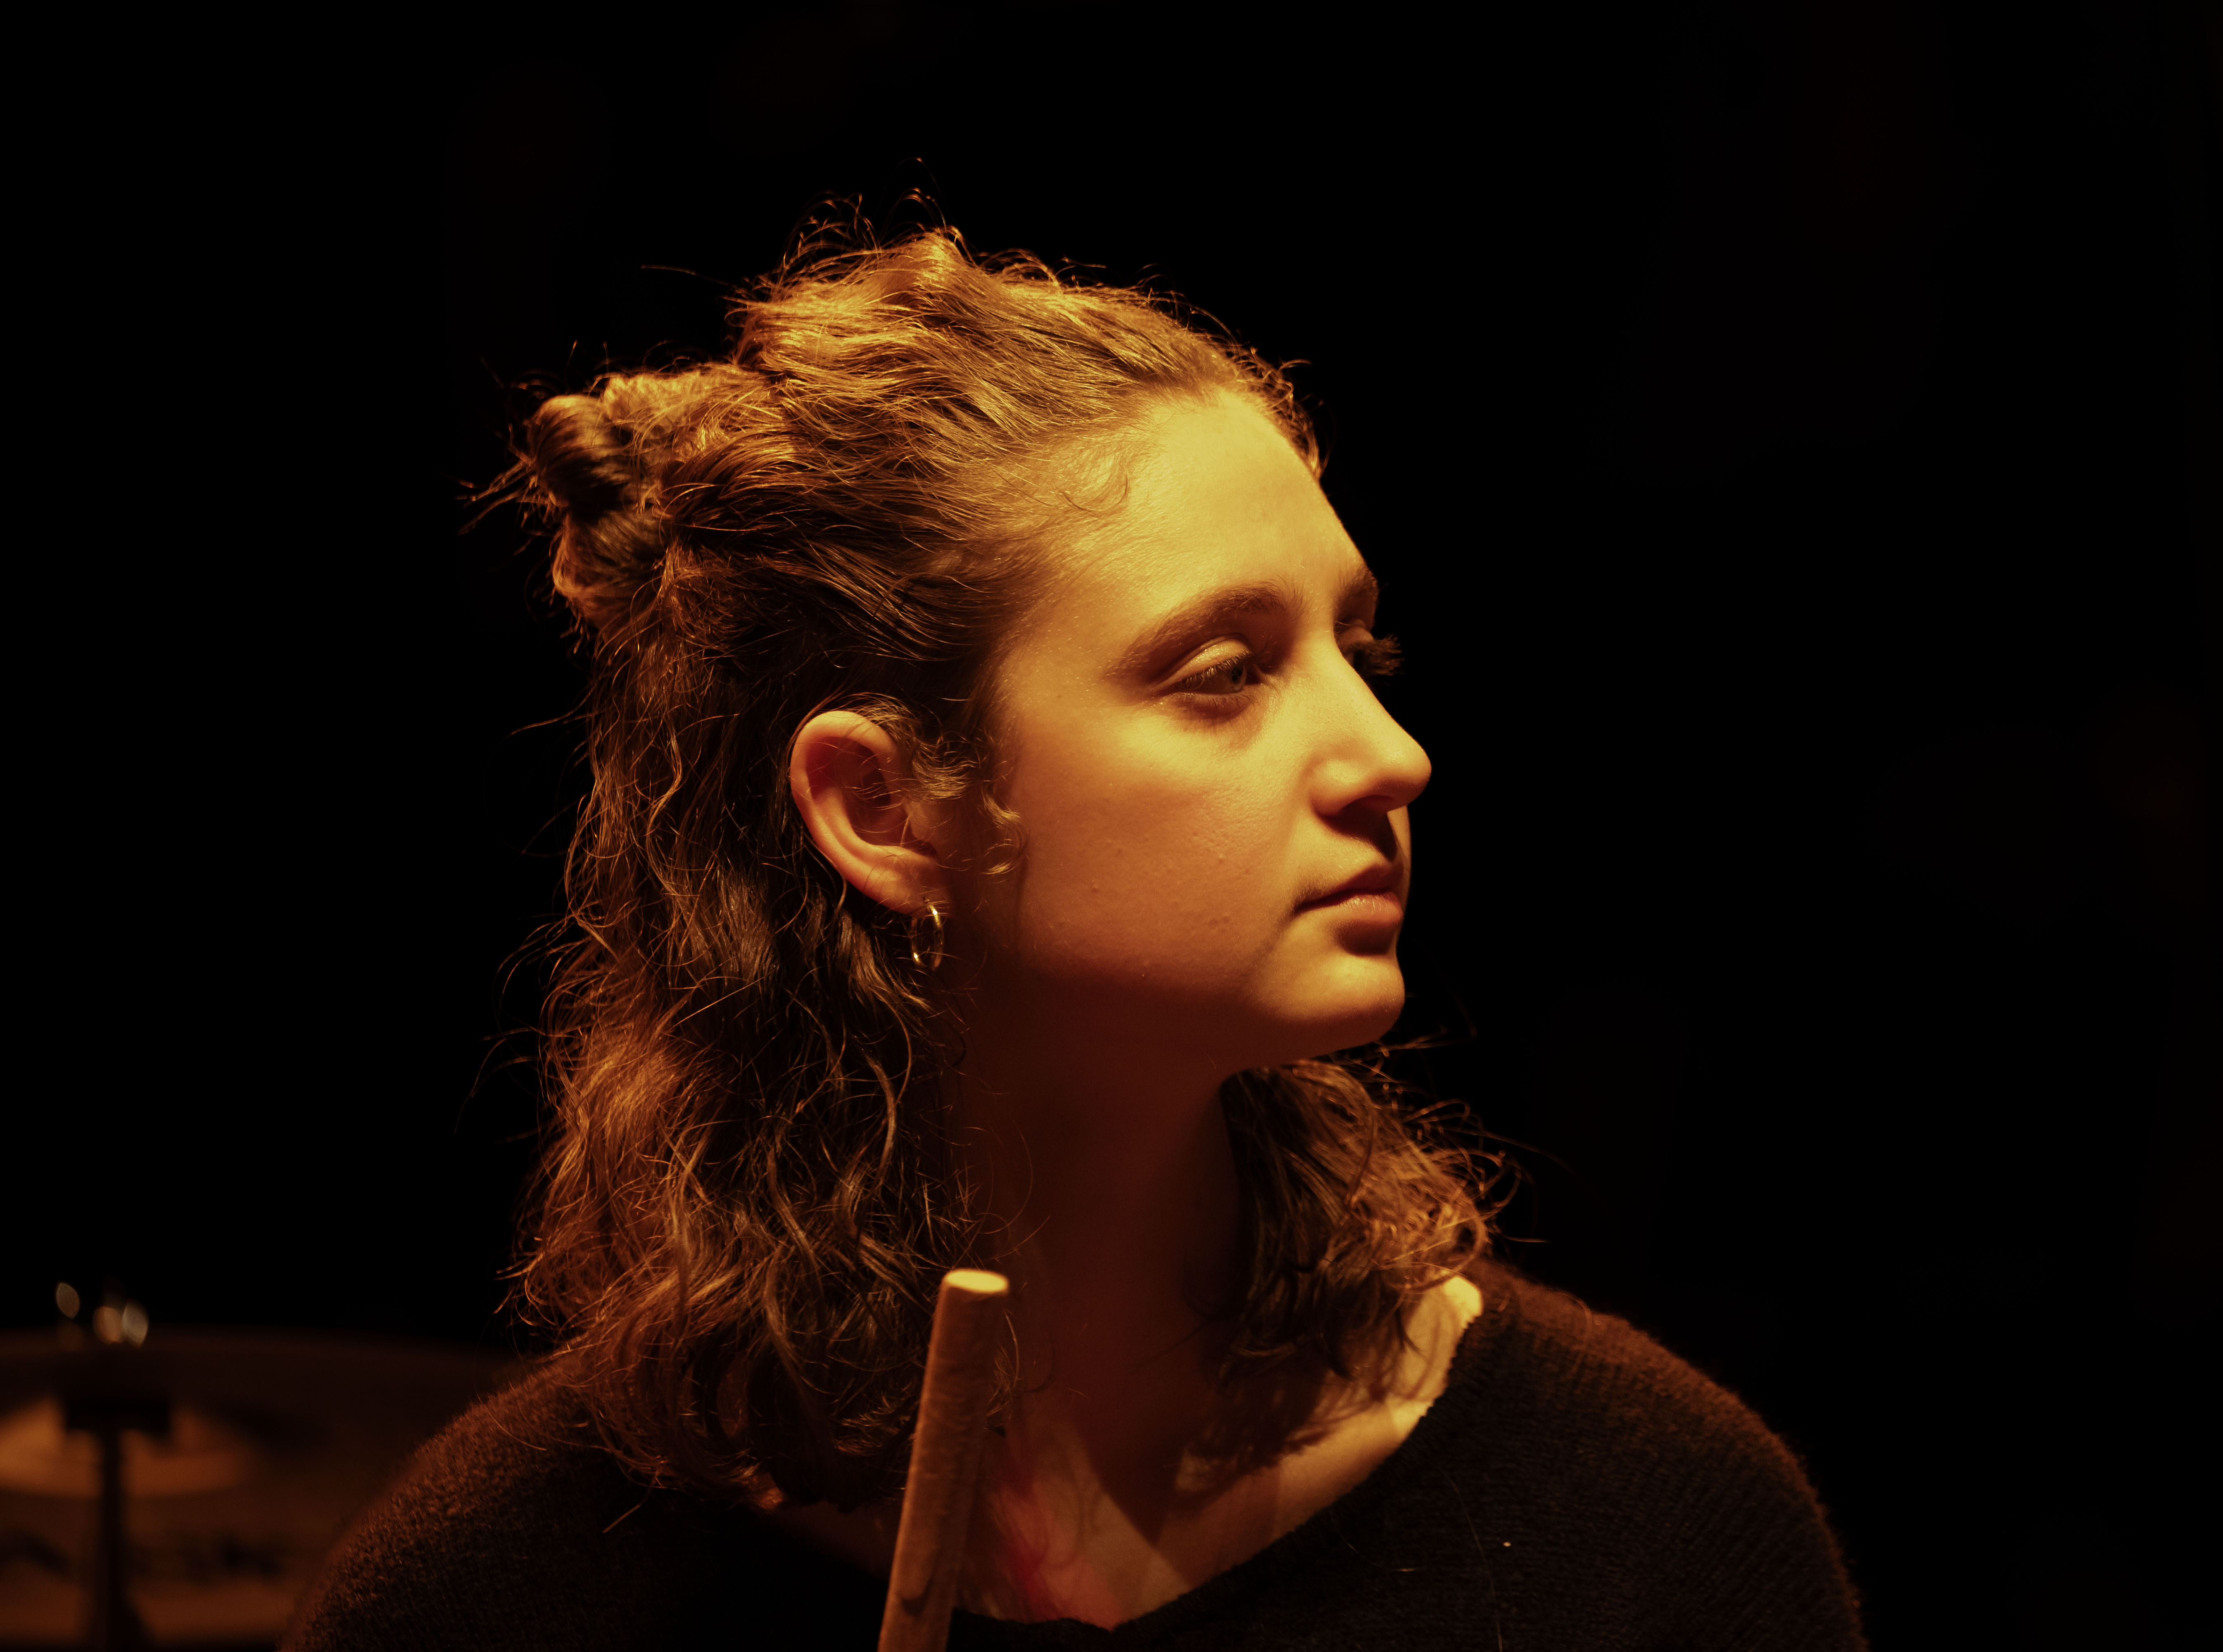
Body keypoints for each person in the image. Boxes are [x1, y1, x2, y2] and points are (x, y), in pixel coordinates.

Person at [285, 228, 1869, 1650]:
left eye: (1361, 649)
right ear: (886, 809)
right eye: (1225, 673)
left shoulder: (1650, 1534)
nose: (1391, 755)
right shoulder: (512, 1592)